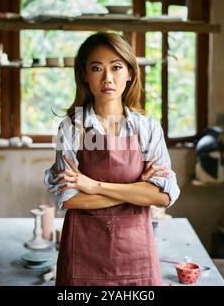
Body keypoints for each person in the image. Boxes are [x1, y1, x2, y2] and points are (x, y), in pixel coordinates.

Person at [44, 32, 181, 286]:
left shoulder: (148, 129)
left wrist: (93, 186)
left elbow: (163, 196)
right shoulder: (71, 129)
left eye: (116, 67)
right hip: (82, 256)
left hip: (136, 255)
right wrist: (137, 191)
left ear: (130, 73)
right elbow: (69, 198)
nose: (107, 78)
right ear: (85, 74)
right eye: (97, 68)